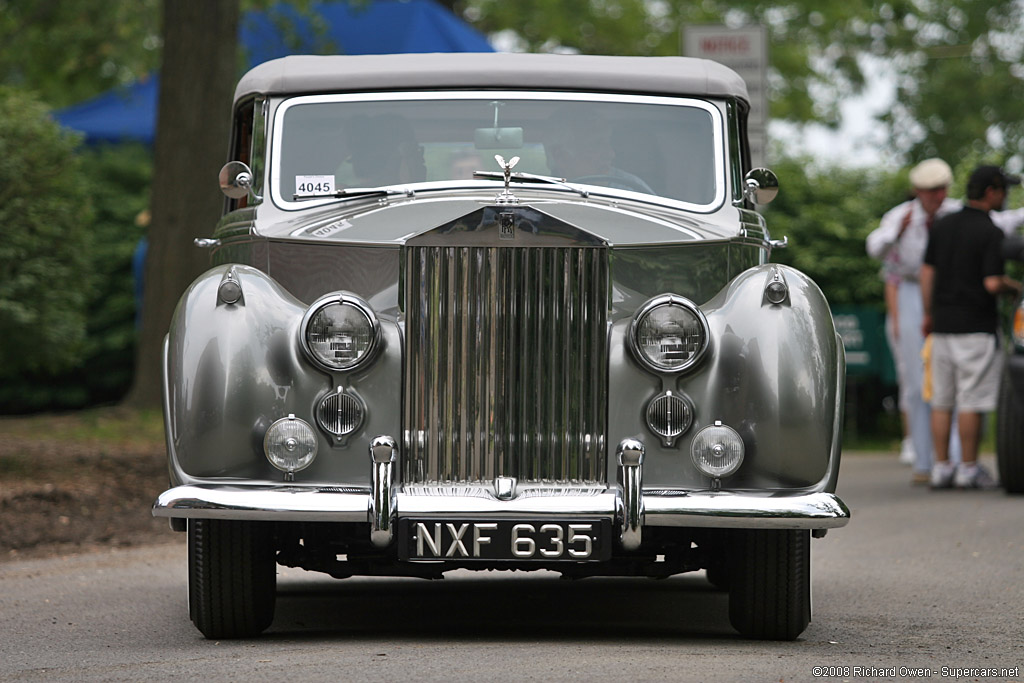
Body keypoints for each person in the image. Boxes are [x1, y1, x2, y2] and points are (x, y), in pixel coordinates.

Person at [920, 165, 1023, 489]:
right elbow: (992, 283)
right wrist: (1015, 287)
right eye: (1003, 189)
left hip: (942, 325)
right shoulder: (991, 232)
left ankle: (941, 468)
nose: (1005, 196)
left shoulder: (943, 225)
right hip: (975, 327)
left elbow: (926, 273)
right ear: (991, 191)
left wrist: (928, 312)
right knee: (971, 400)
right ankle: (967, 468)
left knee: (941, 399)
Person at [866, 159, 963, 483]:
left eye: (941, 189)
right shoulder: (900, 216)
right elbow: (875, 249)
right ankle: (924, 459)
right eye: (930, 190)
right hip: (910, 292)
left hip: (950, 290)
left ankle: (956, 457)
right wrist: (899, 230)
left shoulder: (956, 211)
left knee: (954, 370)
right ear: (918, 191)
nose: (937, 196)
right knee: (918, 375)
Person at [543, 107, 654, 193]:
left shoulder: (631, 189)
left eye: (608, 143)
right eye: (596, 145)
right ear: (561, 157)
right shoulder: (538, 194)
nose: (610, 154)